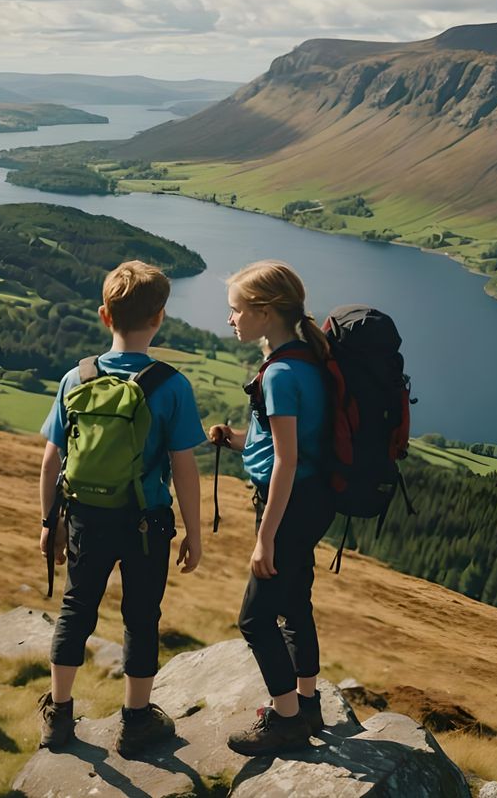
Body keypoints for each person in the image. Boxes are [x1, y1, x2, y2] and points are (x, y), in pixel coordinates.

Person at [37, 260, 206, 756]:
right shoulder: (170, 385)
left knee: (75, 609)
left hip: (86, 517)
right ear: (159, 318)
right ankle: (135, 722)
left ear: (104, 315)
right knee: (140, 616)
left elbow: (52, 460)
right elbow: (184, 469)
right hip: (146, 522)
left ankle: (59, 716)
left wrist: (50, 522)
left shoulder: (77, 378)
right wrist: (193, 533)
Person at [207, 260, 333, 756]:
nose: (231, 319)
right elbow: (283, 446)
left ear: (263, 313)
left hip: (288, 506)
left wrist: (265, 538)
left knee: (255, 620)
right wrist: (237, 442)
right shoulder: (303, 359)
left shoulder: (279, 373)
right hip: (313, 499)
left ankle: (285, 720)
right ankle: (308, 703)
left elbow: (286, 459)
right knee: (294, 604)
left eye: (236, 311)